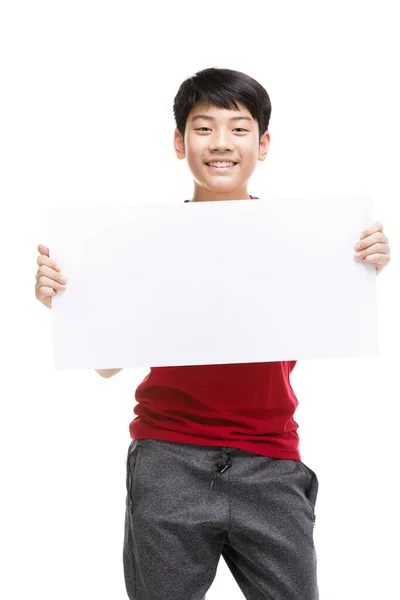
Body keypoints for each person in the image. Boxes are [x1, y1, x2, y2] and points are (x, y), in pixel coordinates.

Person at [35, 67, 391, 600]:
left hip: (271, 457)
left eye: (238, 127)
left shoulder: (304, 239)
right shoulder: (144, 244)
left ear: (263, 144)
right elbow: (108, 363)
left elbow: (334, 314)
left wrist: (364, 265)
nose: (220, 143)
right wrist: (68, 302)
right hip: (169, 456)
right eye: (202, 128)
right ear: (179, 143)